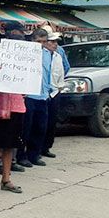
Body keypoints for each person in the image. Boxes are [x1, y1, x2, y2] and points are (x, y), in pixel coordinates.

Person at [0, 22, 27, 196]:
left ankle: (6, 179)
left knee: (11, 144)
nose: (20, 35)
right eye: (18, 32)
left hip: (18, 103)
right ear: (10, 33)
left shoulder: (25, 52)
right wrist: (2, 72)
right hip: (2, 103)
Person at [17, 28, 53, 168]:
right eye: (38, 41)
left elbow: (47, 73)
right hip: (29, 95)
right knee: (26, 128)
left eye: (44, 41)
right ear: (32, 40)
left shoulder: (47, 54)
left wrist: (49, 90)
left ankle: (34, 155)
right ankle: (22, 156)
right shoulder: (25, 53)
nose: (41, 44)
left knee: (40, 127)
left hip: (43, 95)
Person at [42, 31, 66, 159]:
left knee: (51, 122)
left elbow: (63, 71)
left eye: (56, 42)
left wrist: (59, 87)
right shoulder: (40, 56)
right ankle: (36, 149)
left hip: (55, 91)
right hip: (43, 92)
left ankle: (46, 147)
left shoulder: (58, 56)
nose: (55, 44)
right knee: (41, 123)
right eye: (52, 41)